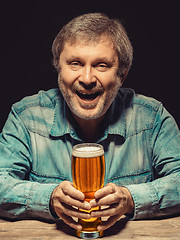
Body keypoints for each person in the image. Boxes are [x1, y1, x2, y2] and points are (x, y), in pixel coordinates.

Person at [0, 12, 179, 233]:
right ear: (59, 69)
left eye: (101, 65)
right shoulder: (26, 116)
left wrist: (130, 199)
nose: (86, 79)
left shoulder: (152, 117)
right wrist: (48, 198)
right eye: (75, 63)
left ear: (121, 75)